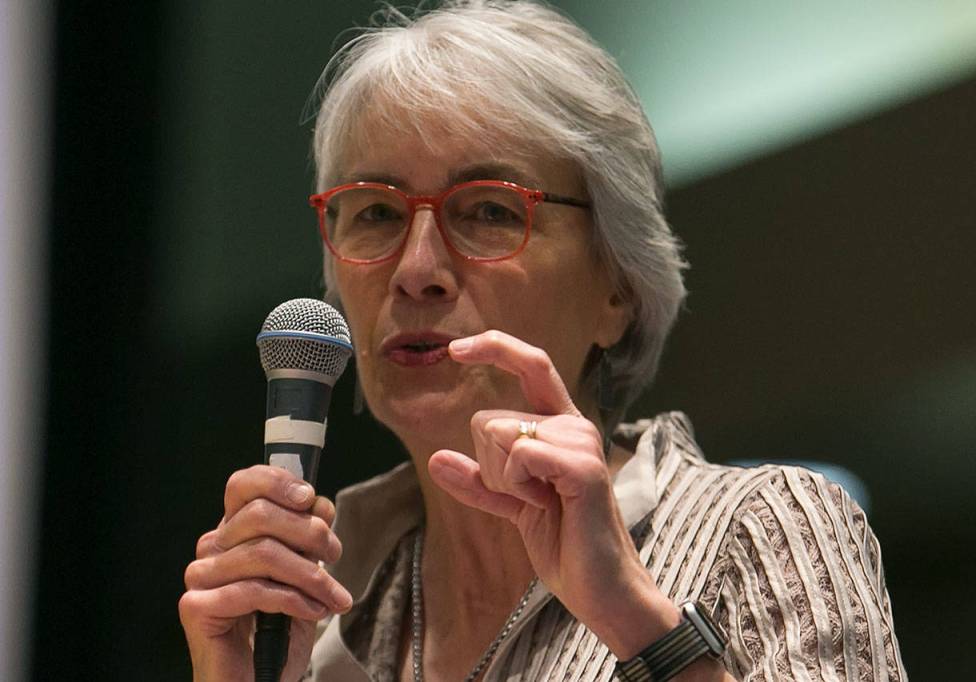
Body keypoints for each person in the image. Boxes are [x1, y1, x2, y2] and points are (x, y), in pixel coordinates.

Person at [178, 1, 907, 680]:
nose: (416, 270)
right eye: (375, 213)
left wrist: (635, 622)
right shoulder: (314, 625)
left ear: (617, 288)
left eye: (489, 211)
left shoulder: (764, 528)